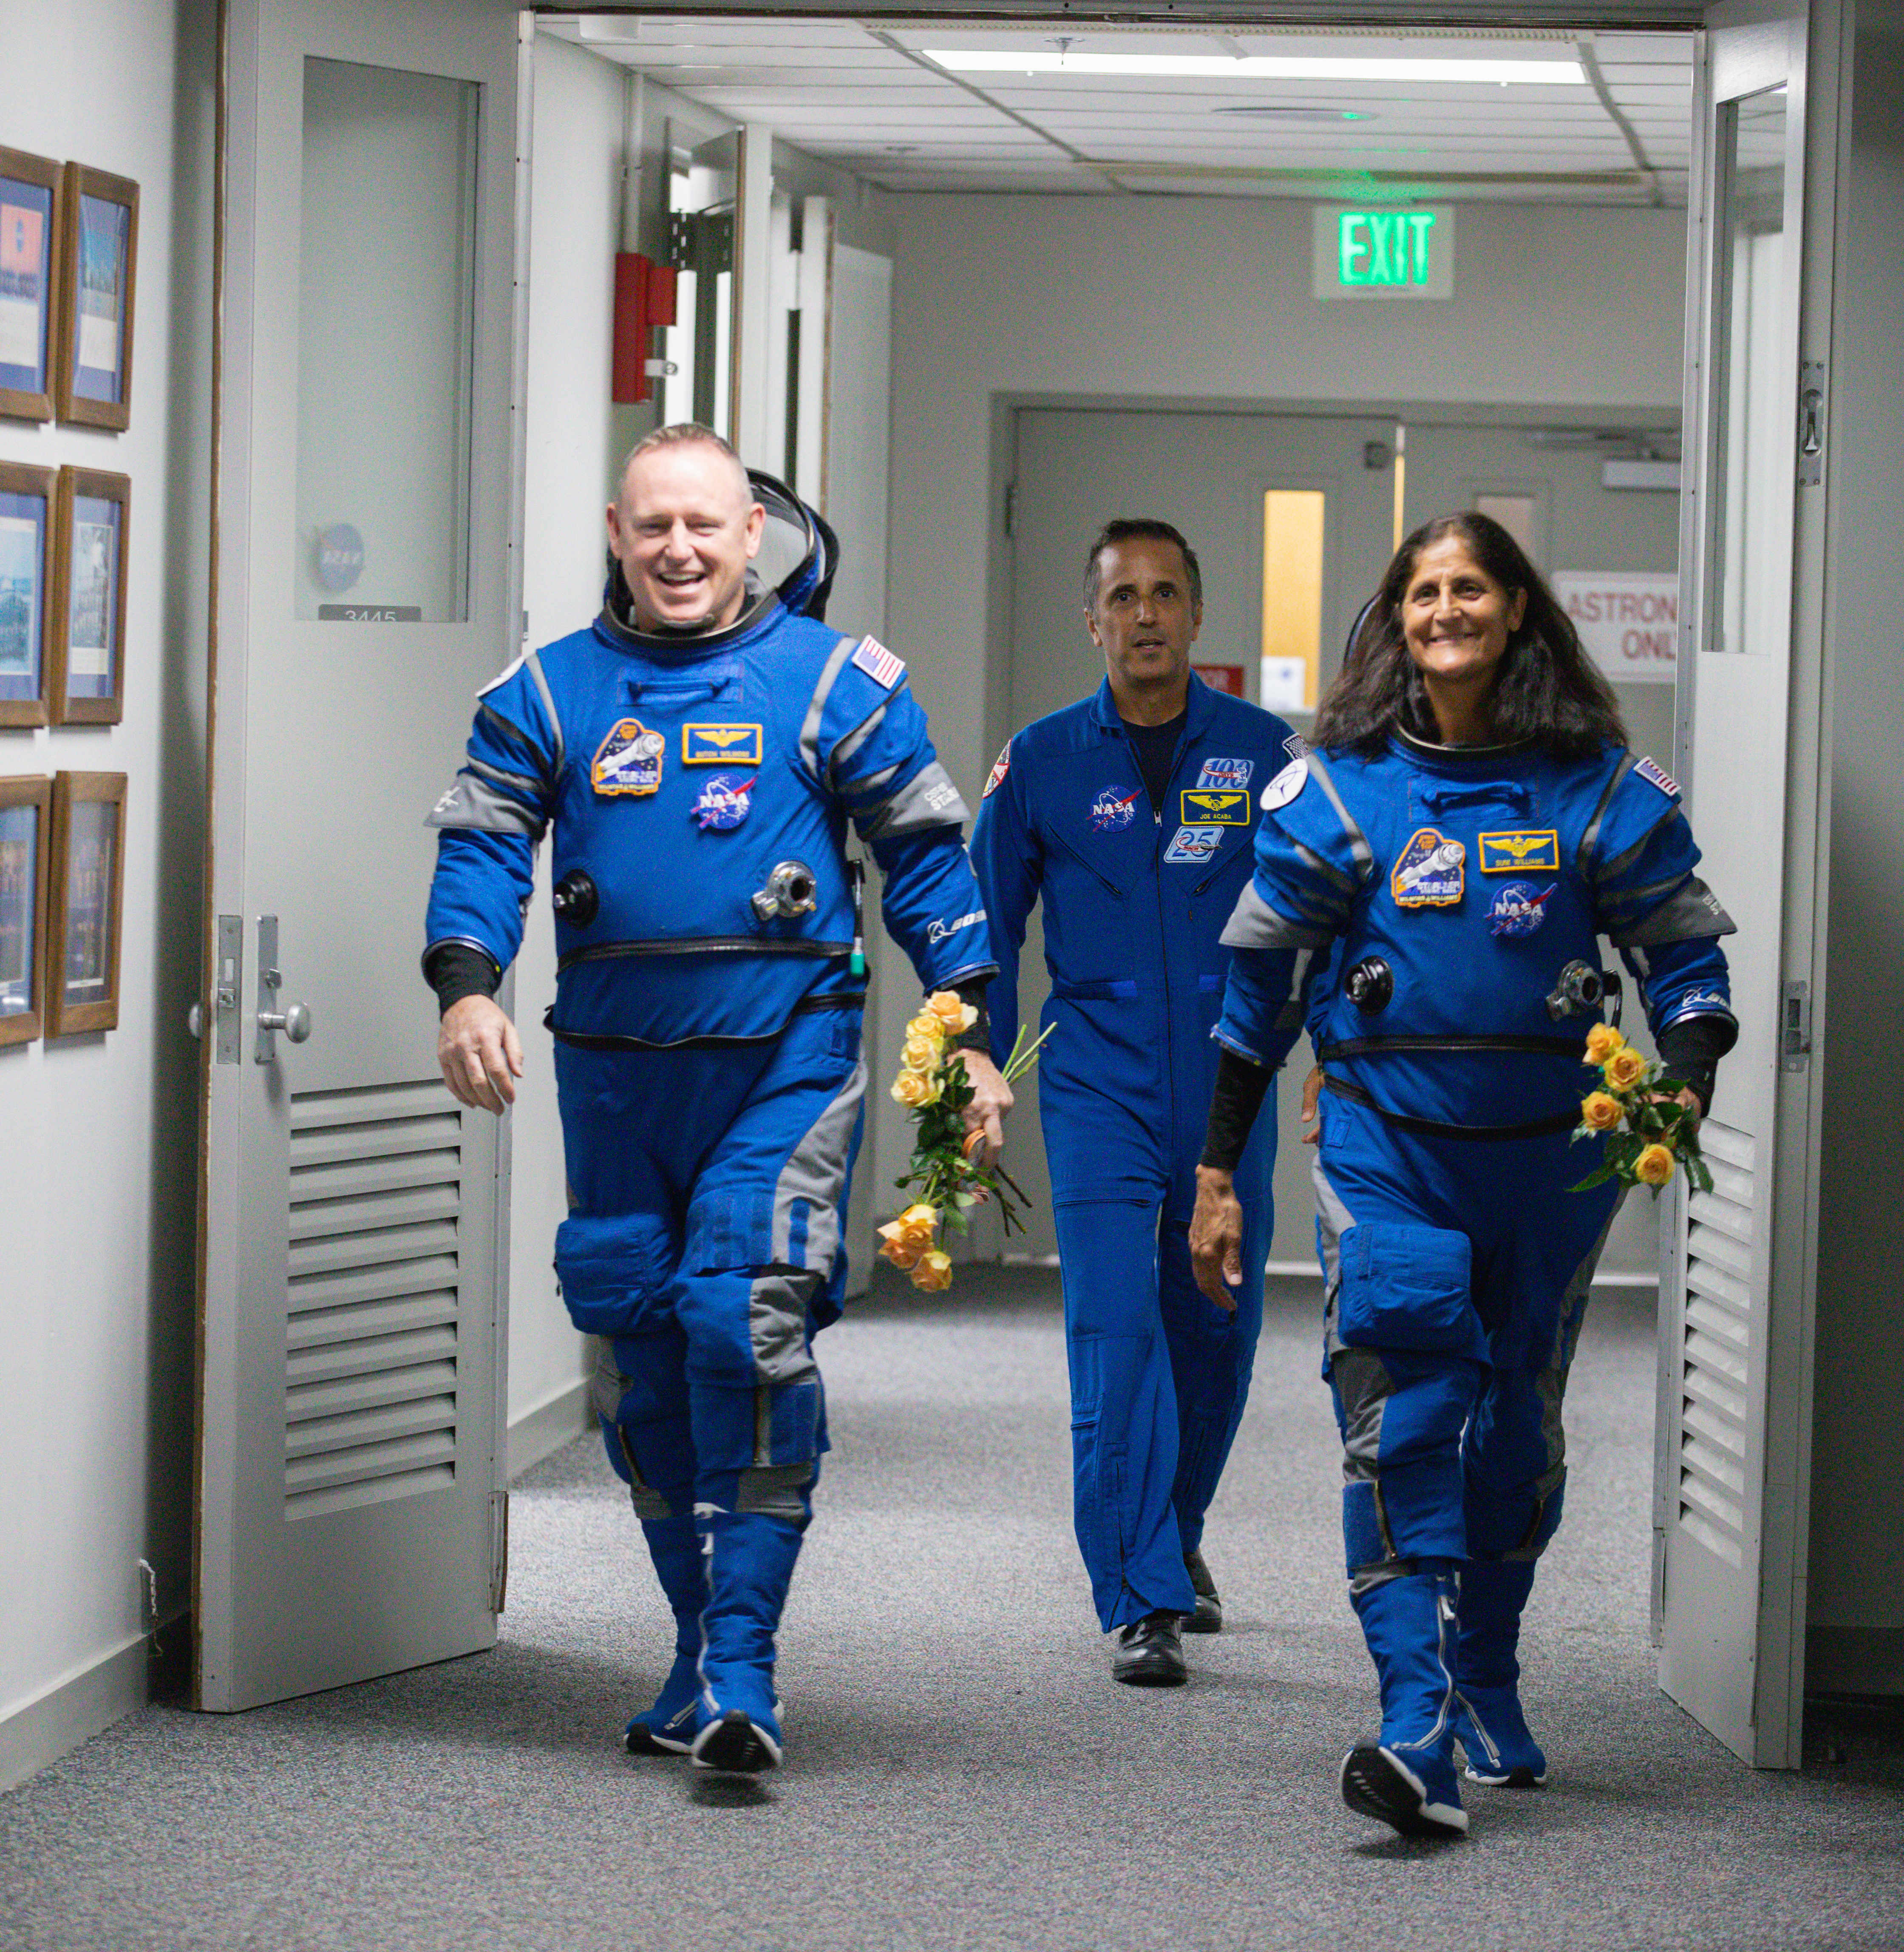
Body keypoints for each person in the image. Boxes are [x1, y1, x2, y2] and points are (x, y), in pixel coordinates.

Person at [422, 425, 1011, 1774]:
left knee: (738, 1318)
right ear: (617, 536)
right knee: (643, 1348)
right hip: (618, 1077)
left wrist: (968, 1026)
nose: (678, 550)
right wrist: (467, 987)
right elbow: (487, 843)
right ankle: (696, 1652)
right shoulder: (551, 694)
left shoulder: (831, 685)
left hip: (782, 1065)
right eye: (651, 528)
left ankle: (747, 1666)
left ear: (756, 533)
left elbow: (926, 856)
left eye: (704, 525)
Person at [1190, 512, 1736, 1839]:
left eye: (1471, 589)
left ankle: (1487, 1667)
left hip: (1552, 1167)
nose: (1448, 610)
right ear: (1397, 618)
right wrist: (1216, 1170)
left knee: (1515, 1437)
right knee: (1404, 1412)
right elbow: (1255, 1003)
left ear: (1515, 612)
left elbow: (1690, 964)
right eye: (1425, 591)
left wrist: (1683, 1083)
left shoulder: (1596, 788)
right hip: (1389, 1149)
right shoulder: (1335, 791)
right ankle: (1413, 1718)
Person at [970, 518, 1303, 1685]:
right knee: (1117, 1329)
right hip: (1099, 1074)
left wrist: (1344, 1057)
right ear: (1093, 617)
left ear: (1199, 616)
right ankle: (1140, 1590)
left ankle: (1178, 1529)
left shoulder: (1267, 753)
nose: (1147, 615)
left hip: (1228, 1083)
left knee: (1217, 1328)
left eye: (1168, 593)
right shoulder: (1044, 760)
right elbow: (983, 930)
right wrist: (977, 1054)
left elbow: (1330, 914)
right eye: (1125, 596)